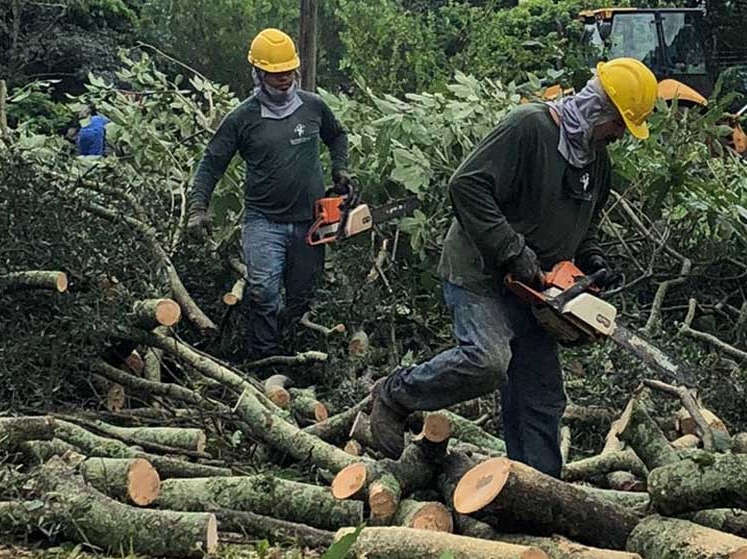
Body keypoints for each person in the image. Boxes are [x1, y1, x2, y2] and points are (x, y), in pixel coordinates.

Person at [366, 58, 659, 478]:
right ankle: (397, 393)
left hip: (536, 289)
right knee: (487, 361)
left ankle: (535, 488)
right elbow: (466, 186)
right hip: (481, 271)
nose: (618, 136)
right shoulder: (529, 128)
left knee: (540, 396)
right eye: (618, 125)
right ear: (599, 110)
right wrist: (511, 250)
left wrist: (590, 260)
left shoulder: (597, 162)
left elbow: (585, 224)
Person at [186, 28, 350, 360]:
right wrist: (197, 207)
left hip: (310, 222)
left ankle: (297, 354)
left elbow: (337, 136)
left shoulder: (313, 107)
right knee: (263, 292)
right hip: (264, 222)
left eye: (288, 71)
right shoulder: (242, 118)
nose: (284, 78)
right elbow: (212, 163)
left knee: (302, 296)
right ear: (259, 73)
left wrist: (340, 169)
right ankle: (264, 360)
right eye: (275, 73)